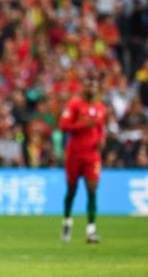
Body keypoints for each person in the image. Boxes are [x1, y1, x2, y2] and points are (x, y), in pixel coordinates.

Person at [59, 76, 106, 244]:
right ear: (83, 88)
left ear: (97, 89)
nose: (91, 89)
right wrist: (82, 125)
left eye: (93, 86)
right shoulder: (74, 105)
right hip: (74, 154)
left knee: (92, 189)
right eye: (88, 86)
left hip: (92, 156)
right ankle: (67, 221)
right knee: (72, 190)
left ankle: (91, 230)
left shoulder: (101, 108)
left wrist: (101, 139)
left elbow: (100, 130)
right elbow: (63, 126)